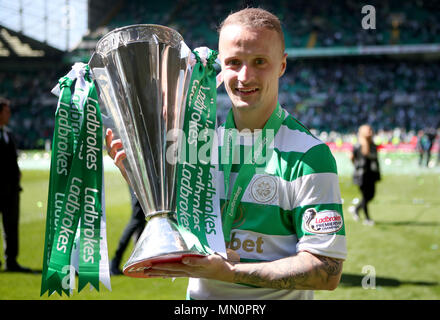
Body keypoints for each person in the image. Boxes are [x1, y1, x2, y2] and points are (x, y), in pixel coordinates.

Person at [106, 8, 346, 300]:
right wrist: (138, 177)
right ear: (220, 66)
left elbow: (327, 270)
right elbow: (177, 227)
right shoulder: (196, 148)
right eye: (234, 62)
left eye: (260, 61)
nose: (245, 76)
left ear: (282, 65)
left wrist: (230, 273)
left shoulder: (310, 155)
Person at [0, 97, 31, 272]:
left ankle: (11, 260)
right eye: (6, 111)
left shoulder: (8, 134)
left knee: (11, 226)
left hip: (11, 190)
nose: (9, 114)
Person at [109, 188, 146, 275]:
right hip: (138, 184)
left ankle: (138, 261)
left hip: (139, 183)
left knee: (141, 220)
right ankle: (115, 262)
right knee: (136, 220)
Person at [350, 124, 381, 226]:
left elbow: (375, 160)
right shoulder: (358, 145)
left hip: (371, 174)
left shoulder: (373, 145)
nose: (370, 132)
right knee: (365, 196)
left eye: (371, 130)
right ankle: (367, 218)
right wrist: (357, 166)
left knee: (371, 196)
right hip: (362, 175)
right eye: (368, 131)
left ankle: (356, 209)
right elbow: (352, 157)